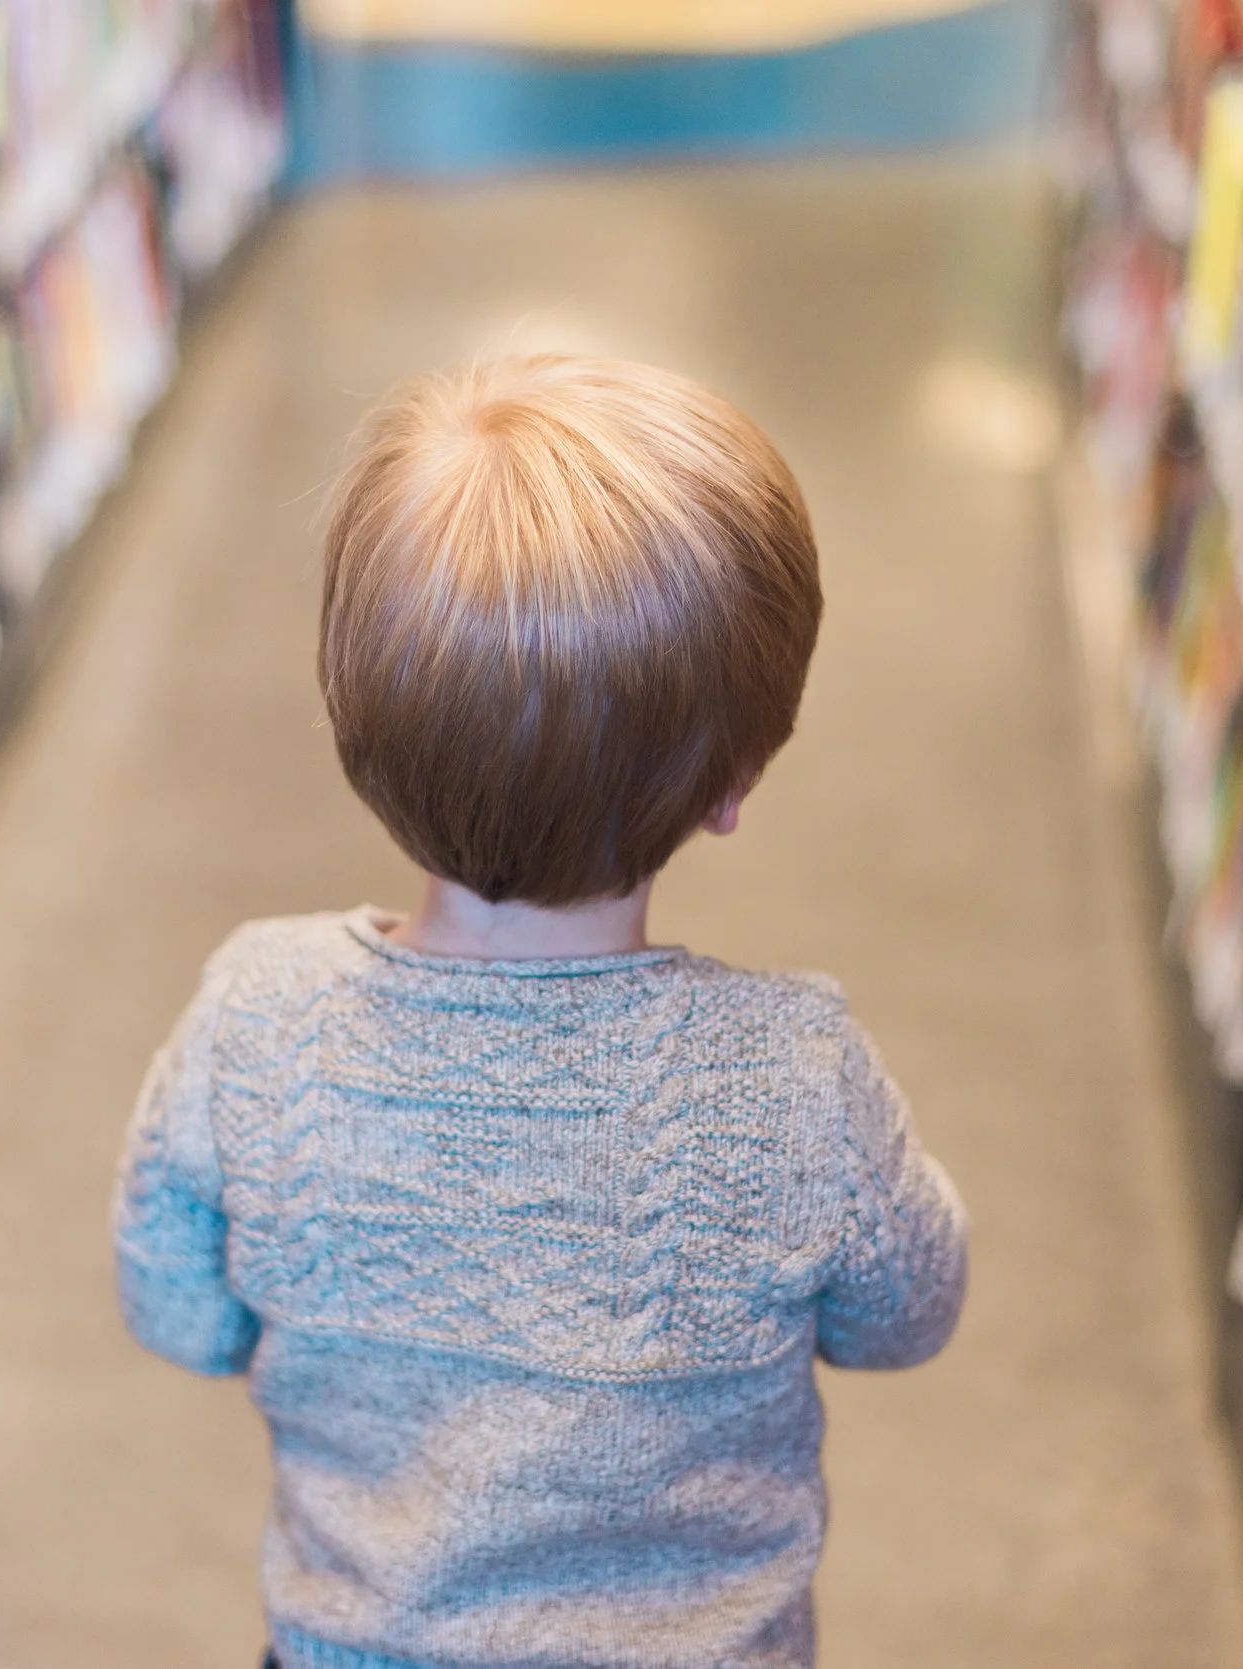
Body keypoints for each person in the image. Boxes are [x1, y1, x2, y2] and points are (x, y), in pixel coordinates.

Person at [112, 353, 969, 1669]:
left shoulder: (259, 1020)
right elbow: (908, 1312)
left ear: (355, 721)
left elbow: (178, 1306)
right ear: (734, 779)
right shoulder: (791, 1081)